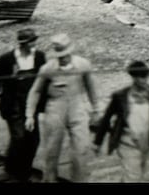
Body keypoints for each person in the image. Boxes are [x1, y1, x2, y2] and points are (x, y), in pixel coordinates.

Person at [25, 33, 98, 183]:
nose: (63, 58)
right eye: (60, 56)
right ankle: (49, 180)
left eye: (65, 55)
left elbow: (92, 88)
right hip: (55, 110)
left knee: (81, 150)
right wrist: (29, 114)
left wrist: (97, 109)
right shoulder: (47, 68)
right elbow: (36, 90)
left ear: (70, 51)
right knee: (51, 152)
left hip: (77, 108)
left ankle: (80, 180)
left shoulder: (83, 65)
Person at [93, 60, 149, 182]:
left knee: (138, 173)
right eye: (141, 77)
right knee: (133, 176)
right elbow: (106, 118)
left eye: (146, 76)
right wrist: (97, 142)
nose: (145, 80)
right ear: (134, 78)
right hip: (127, 140)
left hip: (145, 139)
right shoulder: (120, 96)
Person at [0, 27, 46, 181]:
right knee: (19, 138)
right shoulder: (6, 59)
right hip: (12, 105)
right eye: (31, 42)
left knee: (33, 140)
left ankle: (23, 170)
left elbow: (44, 82)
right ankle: (14, 171)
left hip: (31, 106)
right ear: (23, 44)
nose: (34, 45)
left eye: (34, 41)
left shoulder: (39, 57)